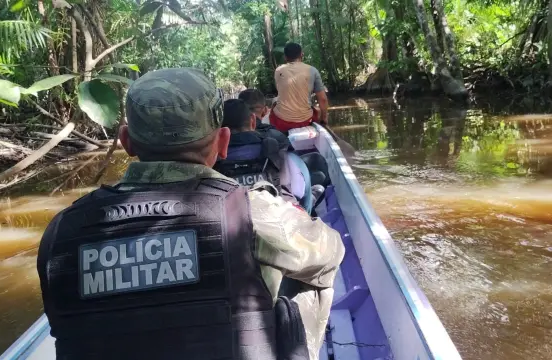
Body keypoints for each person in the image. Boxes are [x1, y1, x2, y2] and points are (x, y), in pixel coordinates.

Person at [36, 68, 345, 360]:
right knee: (302, 274)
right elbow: (332, 251)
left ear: (126, 141)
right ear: (222, 143)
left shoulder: (61, 230)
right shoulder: (253, 211)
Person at [214, 99, 313, 211]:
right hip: (280, 223)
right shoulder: (283, 156)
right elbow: (305, 201)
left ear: (217, 129)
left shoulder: (209, 163)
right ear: (253, 121)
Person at [270, 42, 330, 133]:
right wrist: (324, 118)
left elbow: (282, 91)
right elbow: (323, 99)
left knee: (274, 103)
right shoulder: (312, 70)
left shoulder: (278, 70)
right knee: (315, 110)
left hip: (282, 122)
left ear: (285, 57)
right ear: (302, 54)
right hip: (306, 121)